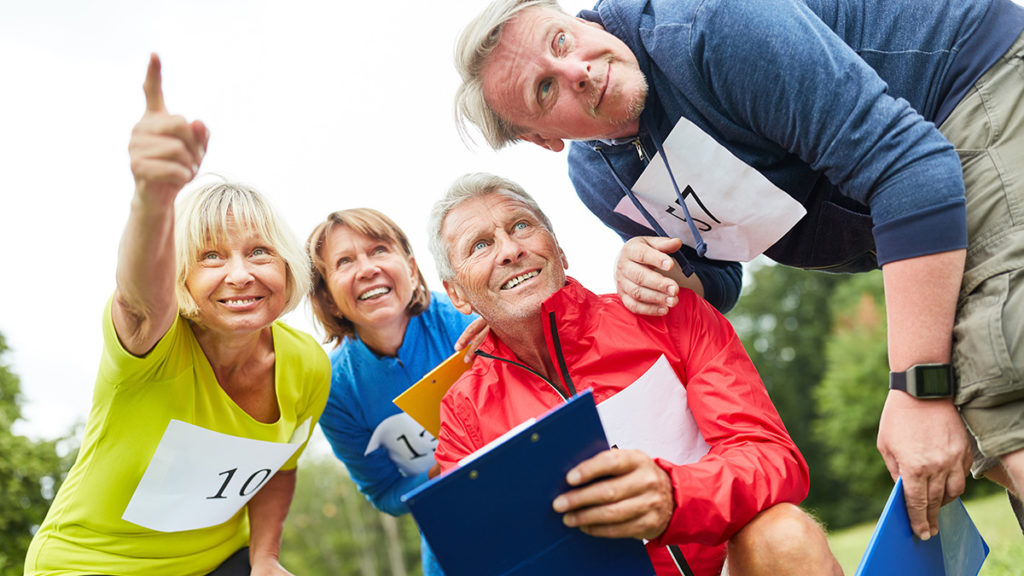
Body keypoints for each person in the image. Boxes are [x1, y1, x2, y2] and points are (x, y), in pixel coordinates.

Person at [452, 0, 1024, 541]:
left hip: (967, 90)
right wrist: (666, 277)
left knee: (995, 393)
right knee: (981, 425)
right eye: (545, 88)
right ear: (540, 138)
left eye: (562, 40)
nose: (576, 70)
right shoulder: (602, 179)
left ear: (583, 21)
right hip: (912, 198)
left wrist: (914, 389)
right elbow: (720, 276)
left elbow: (908, 166)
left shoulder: (705, 25)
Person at [427, 172, 842, 576]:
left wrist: (673, 497)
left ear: (558, 248)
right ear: (458, 293)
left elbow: (771, 459)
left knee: (784, 535)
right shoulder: (464, 413)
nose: (509, 250)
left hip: (728, 566)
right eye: (480, 245)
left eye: (521, 225)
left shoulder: (666, 312)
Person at [24, 54, 330, 576]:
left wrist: (265, 557)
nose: (239, 274)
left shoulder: (306, 365)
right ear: (181, 276)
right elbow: (139, 292)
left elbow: (278, 470)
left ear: (287, 264)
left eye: (259, 252)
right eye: (210, 256)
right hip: (89, 566)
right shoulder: (152, 342)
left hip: (218, 562)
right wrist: (153, 197)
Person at [306, 208, 478, 576]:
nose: (367, 269)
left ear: (412, 268)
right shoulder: (333, 388)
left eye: (379, 250)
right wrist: (441, 472)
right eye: (345, 261)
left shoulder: (469, 322)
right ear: (329, 297)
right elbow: (385, 492)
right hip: (455, 547)